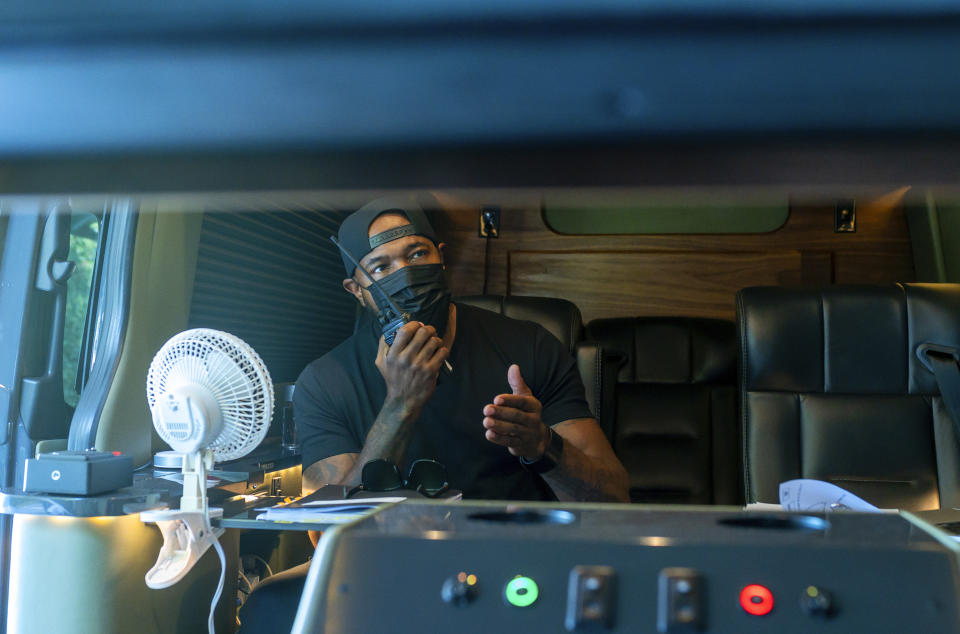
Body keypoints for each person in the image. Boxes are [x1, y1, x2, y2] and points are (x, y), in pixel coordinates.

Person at [295, 194, 629, 503]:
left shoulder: (531, 346)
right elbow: (324, 534)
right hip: (397, 557)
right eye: (382, 267)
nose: (407, 275)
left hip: (510, 549)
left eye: (417, 254)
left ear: (441, 257)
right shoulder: (325, 382)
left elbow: (614, 496)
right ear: (356, 289)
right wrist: (400, 404)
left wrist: (543, 445)